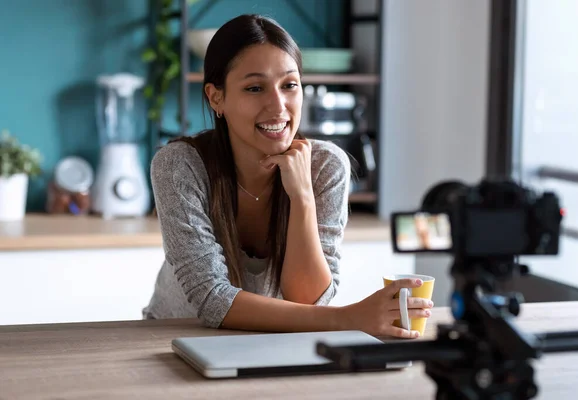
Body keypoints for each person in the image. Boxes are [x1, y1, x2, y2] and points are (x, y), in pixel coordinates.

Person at [143, 14, 433, 339]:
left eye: (289, 85)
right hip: (170, 340)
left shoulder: (326, 166)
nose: (278, 106)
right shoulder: (179, 165)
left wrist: (302, 197)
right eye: (255, 88)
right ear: (216, 97)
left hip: (270, 343)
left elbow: (308, 301)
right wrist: (351, 318)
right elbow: (212, 301)